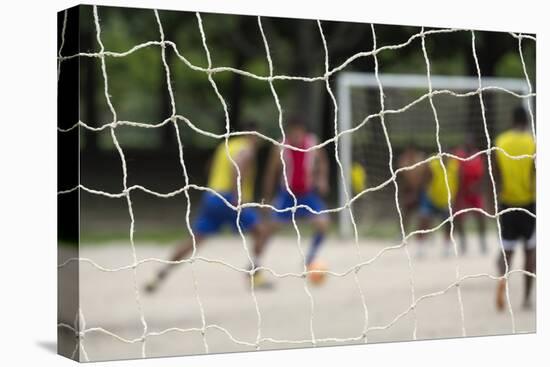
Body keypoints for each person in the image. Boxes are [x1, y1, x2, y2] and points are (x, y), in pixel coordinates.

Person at [144, 121, 270, 293]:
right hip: (230, 198)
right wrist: (236, 194)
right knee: (261, 231)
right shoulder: (246, 148)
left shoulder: (225, 146)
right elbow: (238, 166)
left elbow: (209, 166)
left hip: (212, 196)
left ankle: (160, 274)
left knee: (195, 240)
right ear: (255, 134)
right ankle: (254, 274)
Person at [262, 117, 330, 275]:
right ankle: (256, 264)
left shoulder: (313, 143)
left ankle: (310, 259)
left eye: (299, 131)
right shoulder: (280, 147)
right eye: (293, 131)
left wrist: (322, 179)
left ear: (304, 131)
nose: (296, 134)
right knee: (268, 228)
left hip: (307, 194)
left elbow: (323, 162)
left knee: (323, 224)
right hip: (286, 195)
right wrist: (266, 197)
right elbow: (271, 174)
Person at [494, 106, 536, 311]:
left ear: (512, 120)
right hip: (529, 203)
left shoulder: (501, 142)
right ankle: (527, 299)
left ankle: (502, 283)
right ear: (527, 121)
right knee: (530, 252)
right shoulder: (534, 142)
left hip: (506, 203)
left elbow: (496, 174)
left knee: (507, 251)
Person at [416, 155, 460, 258]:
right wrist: (421, 195)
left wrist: (455, 196)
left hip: (446, 200)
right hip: (431, 198)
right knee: (423, 221)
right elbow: (424, 181)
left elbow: (458, 181)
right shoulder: (432, 165)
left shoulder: (455, 165)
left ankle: (447, 247)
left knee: (450, 223)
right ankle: (420, 247)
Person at [453, 135, 487, 255]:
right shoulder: (458, 155)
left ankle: (483, 242)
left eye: (470, 143)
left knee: (481, 217)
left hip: (474, 192)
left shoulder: (478, 156)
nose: (468, 145)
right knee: (459, 218)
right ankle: (463, 243)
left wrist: (477, 186)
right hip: (461, 192)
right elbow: (454, 172)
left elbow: (482, 176)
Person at [397, 143, 429, 231]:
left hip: (421, 190)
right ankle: (401, 233)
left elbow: (427, 175)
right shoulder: (403, 160)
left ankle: (424, 235)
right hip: (409, 190)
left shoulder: (421, 159)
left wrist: (420, 189)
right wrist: (406, 192)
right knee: (406, 213)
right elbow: (401, 177)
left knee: (424, 213)